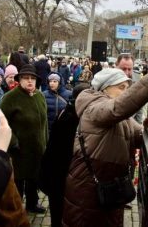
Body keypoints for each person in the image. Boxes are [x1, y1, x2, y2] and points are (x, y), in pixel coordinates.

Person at [62, 52, 148, 227]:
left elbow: (140, 135)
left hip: (110, 191)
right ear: (105, 88)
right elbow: (117, 108)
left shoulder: (119, 117)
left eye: (127, 87)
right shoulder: (94, 107)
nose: (125, 92)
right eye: (121, 87)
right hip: (87, 193)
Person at [40, 83, 90, 227]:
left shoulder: (68, 109)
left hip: (54, 171)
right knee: (59, 210)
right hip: (58, 174)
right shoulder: (72, 117)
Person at [0, 64, 48, 214]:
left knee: (34, 178)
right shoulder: (10, 98)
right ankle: (16, 207)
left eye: (32, 78)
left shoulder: (40, 96)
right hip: (19, 150)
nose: (29, 81)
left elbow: (44, 122)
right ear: (19, 80)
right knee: (18, 181)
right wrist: (13, 142)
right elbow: (1, 121)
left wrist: (46, 141)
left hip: (37, 148)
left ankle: (32, 204)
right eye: (26, 78)